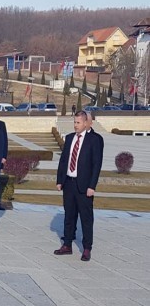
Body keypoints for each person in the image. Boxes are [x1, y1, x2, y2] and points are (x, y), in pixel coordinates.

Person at [54, 111, 104, 261]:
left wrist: (92, 186)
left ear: (85, 123)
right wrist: (59, 180)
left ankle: (87, 248)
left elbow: (96, 165)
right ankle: (67, 244)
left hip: (84, 186)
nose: (75, 125)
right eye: (74, 122)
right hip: (69, 183)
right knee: (69, 215)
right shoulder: (69, 138)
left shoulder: (94, 140)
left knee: (86, 218)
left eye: (78, 123)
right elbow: (63, 161)